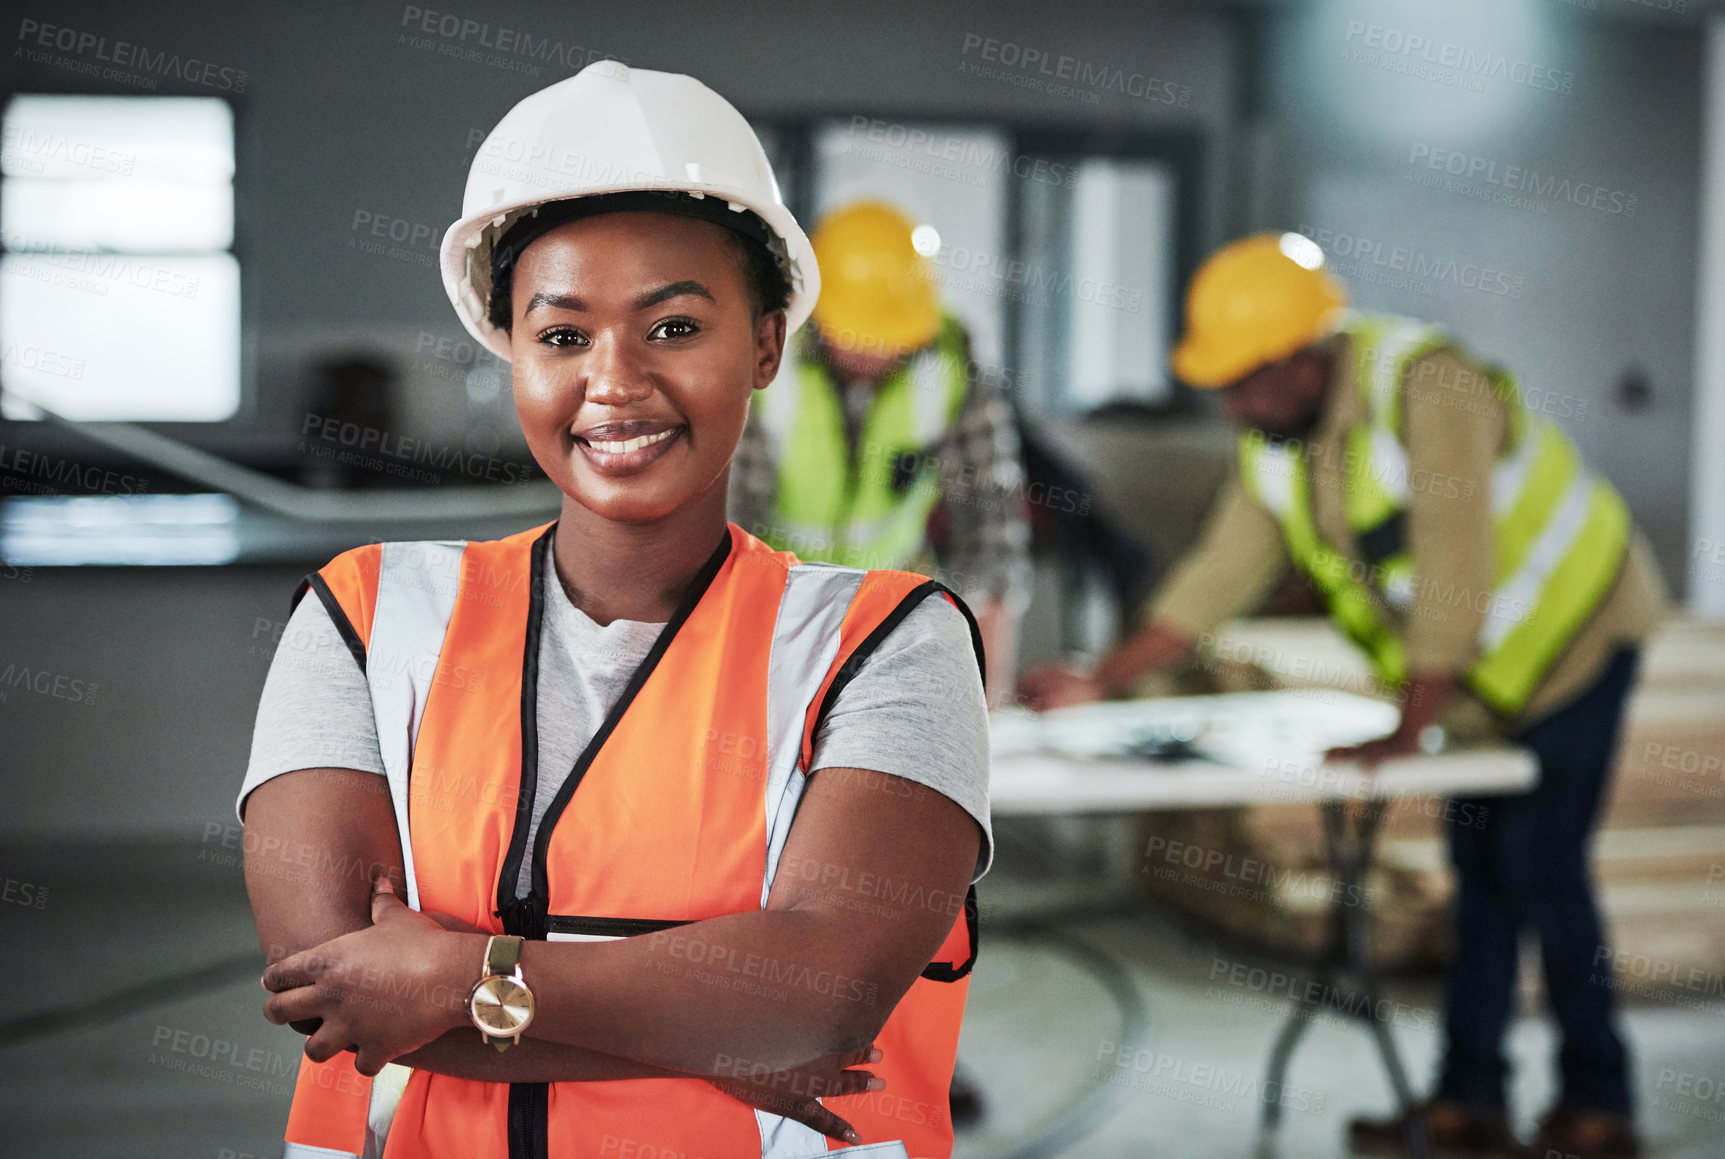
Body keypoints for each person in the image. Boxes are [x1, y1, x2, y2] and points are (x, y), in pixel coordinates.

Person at [240, 61, 990, 1159]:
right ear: (511, 352)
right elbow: (329, 989)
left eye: (676, 328)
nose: (615, 381)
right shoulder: (364, 618)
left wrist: (456, 974)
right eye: (562, 335)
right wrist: (720, 1028)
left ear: (768, 344)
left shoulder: (890, 643)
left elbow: (821, 998)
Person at [1020, 233, 1666, 1159]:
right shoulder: (1278, 443)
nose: (1234, 405)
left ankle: (1598, 1108)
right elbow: (1219, 571)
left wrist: (1408, 725)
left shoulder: (1428, 389)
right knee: (1482, 878)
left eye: (1246, 381)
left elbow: (1454, 560)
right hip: (1486, 682)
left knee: (1541, 871)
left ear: (1301, 357)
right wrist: (1101, 677)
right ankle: (1468, 1105)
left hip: (1575, 640)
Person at [729, 200, 1031, 701]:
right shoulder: (763, 358)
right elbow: (727, 525)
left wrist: (985, 700)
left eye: (891, 338)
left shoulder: (951, 361)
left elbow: (992, 532)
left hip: (894, 622)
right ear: (816, 313)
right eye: (859, 335)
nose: (877, 352)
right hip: (772, 619)